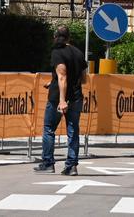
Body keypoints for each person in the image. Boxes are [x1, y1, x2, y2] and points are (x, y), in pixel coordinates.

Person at [36, 25, 88, 175]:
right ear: (69, 37)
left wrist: (62, 100)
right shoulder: (78, 53)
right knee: (73, 131)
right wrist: (52, 82)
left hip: (58, 99)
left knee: (49, 129)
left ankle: (48, 163)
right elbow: (83, 79)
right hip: (77, 97)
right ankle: (71, 166)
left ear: (55, 37)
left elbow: (62, 76)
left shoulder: (57, 52)